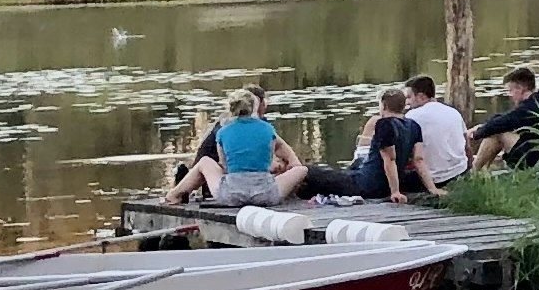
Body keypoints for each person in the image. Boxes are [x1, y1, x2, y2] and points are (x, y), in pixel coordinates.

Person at [165, 87, 305, 206]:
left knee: (205, 162)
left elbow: (225, 166)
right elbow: (268, 162)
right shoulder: (267, 129)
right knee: (301, 170)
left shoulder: (223, 131)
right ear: (253, 108)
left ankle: (174, 195)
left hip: (230, 196)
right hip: (266, 195)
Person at [301, 86, 430, 200]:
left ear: (384, 106)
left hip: (366, 185)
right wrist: (432, 188)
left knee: (310, 171)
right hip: (381, 184)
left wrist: (395, 192)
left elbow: (390, 159)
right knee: (351, 166)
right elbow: (418, 159)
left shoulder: (384, 124)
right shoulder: (414, 126)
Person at [468, 66, 539, 170]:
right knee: (496, 128)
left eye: (510, 90)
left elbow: (503, 123)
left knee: (497, 133)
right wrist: (482, 127)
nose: (509, 95)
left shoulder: (529, 108)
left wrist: (476, 134)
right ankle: (480, 171)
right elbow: (504, 118)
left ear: (520, 89)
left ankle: (474, 171)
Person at [403, 75, 468, 192]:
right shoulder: (454, 112)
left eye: (409, 97)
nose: (407, 102)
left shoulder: (411, 117)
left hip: (434, 178)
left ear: (421, 97)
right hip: (459, 172)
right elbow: (467, 145)